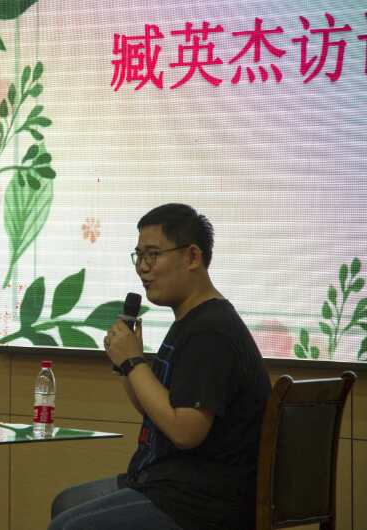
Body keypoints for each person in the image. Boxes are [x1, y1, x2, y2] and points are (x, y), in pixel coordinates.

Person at [49, 204, 271, 530]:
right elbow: (158, 411)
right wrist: (127, 365)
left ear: (192, 257)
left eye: (153, 255)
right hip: (164, 483)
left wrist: (134, 361)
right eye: (139, 256)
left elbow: (185, 431)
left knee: (68, 527)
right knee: (65, 503)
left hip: (199, 504)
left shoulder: (211, 331)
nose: (142, 268)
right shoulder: (191, 320)